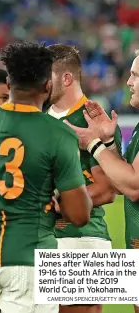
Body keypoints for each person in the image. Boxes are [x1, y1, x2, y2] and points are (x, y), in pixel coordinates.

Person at [0, 42, 93, 313]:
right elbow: (80, 214)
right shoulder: (58, 133)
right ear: (47, 85)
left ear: (9, 82)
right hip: (31, 257)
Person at [46, 44, 121, 312]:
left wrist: (57, 202)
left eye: (47, 75)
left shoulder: (93, 118)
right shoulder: (40, 117)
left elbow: (107, 189)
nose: (41, 82)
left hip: (83, 239)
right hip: (42, 238)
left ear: (66, 78)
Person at [65, 50, 139, 313]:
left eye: (135, 75)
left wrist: (94, 145)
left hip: (86, 238)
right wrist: (107, 142)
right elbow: (121, 183)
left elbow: (133, 186)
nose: (128, 82)